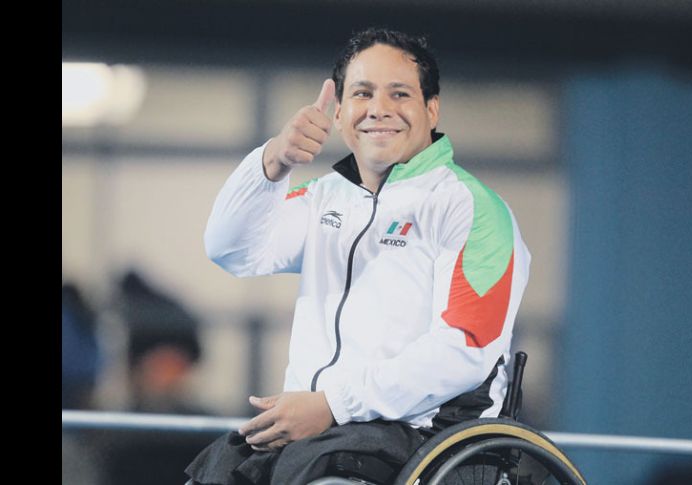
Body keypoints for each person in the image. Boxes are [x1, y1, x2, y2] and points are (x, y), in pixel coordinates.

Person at [186, 27, 531, 485]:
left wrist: (334, 404)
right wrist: (273, 160)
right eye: (362, 93)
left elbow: (465, 350)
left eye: (399, 94)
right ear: (340, 112)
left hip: (423, 439)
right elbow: (231, 249)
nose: (378, 109)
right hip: (319, 437)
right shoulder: (324, 198)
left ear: (432, 109)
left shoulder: (472, 208)